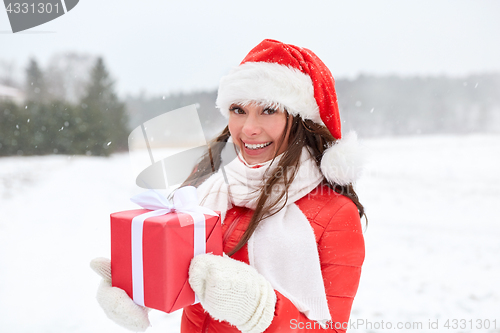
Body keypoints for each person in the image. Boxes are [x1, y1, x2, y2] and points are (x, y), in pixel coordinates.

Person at [91, 39, 365, 333]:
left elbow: (329, 329)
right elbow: (187, 284)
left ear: (302, 120)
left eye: (268, 110)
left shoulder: (337, 214)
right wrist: (141, 292)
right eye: (238, 109)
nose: (248, 128)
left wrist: (260, 310)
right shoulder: (211, 191)